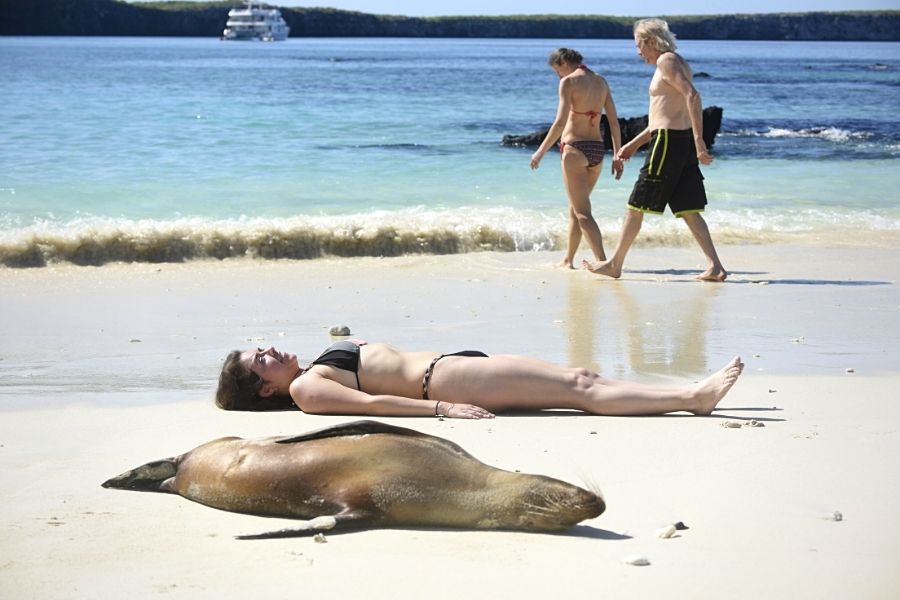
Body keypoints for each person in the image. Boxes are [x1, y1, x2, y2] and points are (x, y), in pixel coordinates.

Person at [216, 339, 744, 419]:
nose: (268, 349)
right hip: (448, 385)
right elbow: (374, 402)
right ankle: (690, 398)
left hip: (453, 368)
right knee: (578, 390)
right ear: (265, 388)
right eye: (259, 360)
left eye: (261, 347)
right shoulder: (307, 390)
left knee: (579, 377)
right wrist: (442, 410)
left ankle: (681, 396)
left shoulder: (309, 369)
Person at [584, 19, 727, 282]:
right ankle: (715, 267)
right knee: (688, 208)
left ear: (650, 41)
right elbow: (663, 116)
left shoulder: (666, 61)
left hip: (670, 142)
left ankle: (615, 264)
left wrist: (700, 141)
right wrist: (632, 145)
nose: (638, 52)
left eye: (639, 45)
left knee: (636, 203)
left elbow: (692, 96)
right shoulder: (678, 60)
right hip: (676, 139)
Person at [530, 48, 624, 270]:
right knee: (576, 208)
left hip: (574, 150)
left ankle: (604, 263)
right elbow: (613, 123)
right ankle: (567, 259)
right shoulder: (601, 81)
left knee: (582, 212)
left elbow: (560, 122)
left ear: (563, 62)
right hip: (597, 150)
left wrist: (540, 151)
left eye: (557, 71)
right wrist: (618, 154)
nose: (558, 76)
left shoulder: (569, 82)